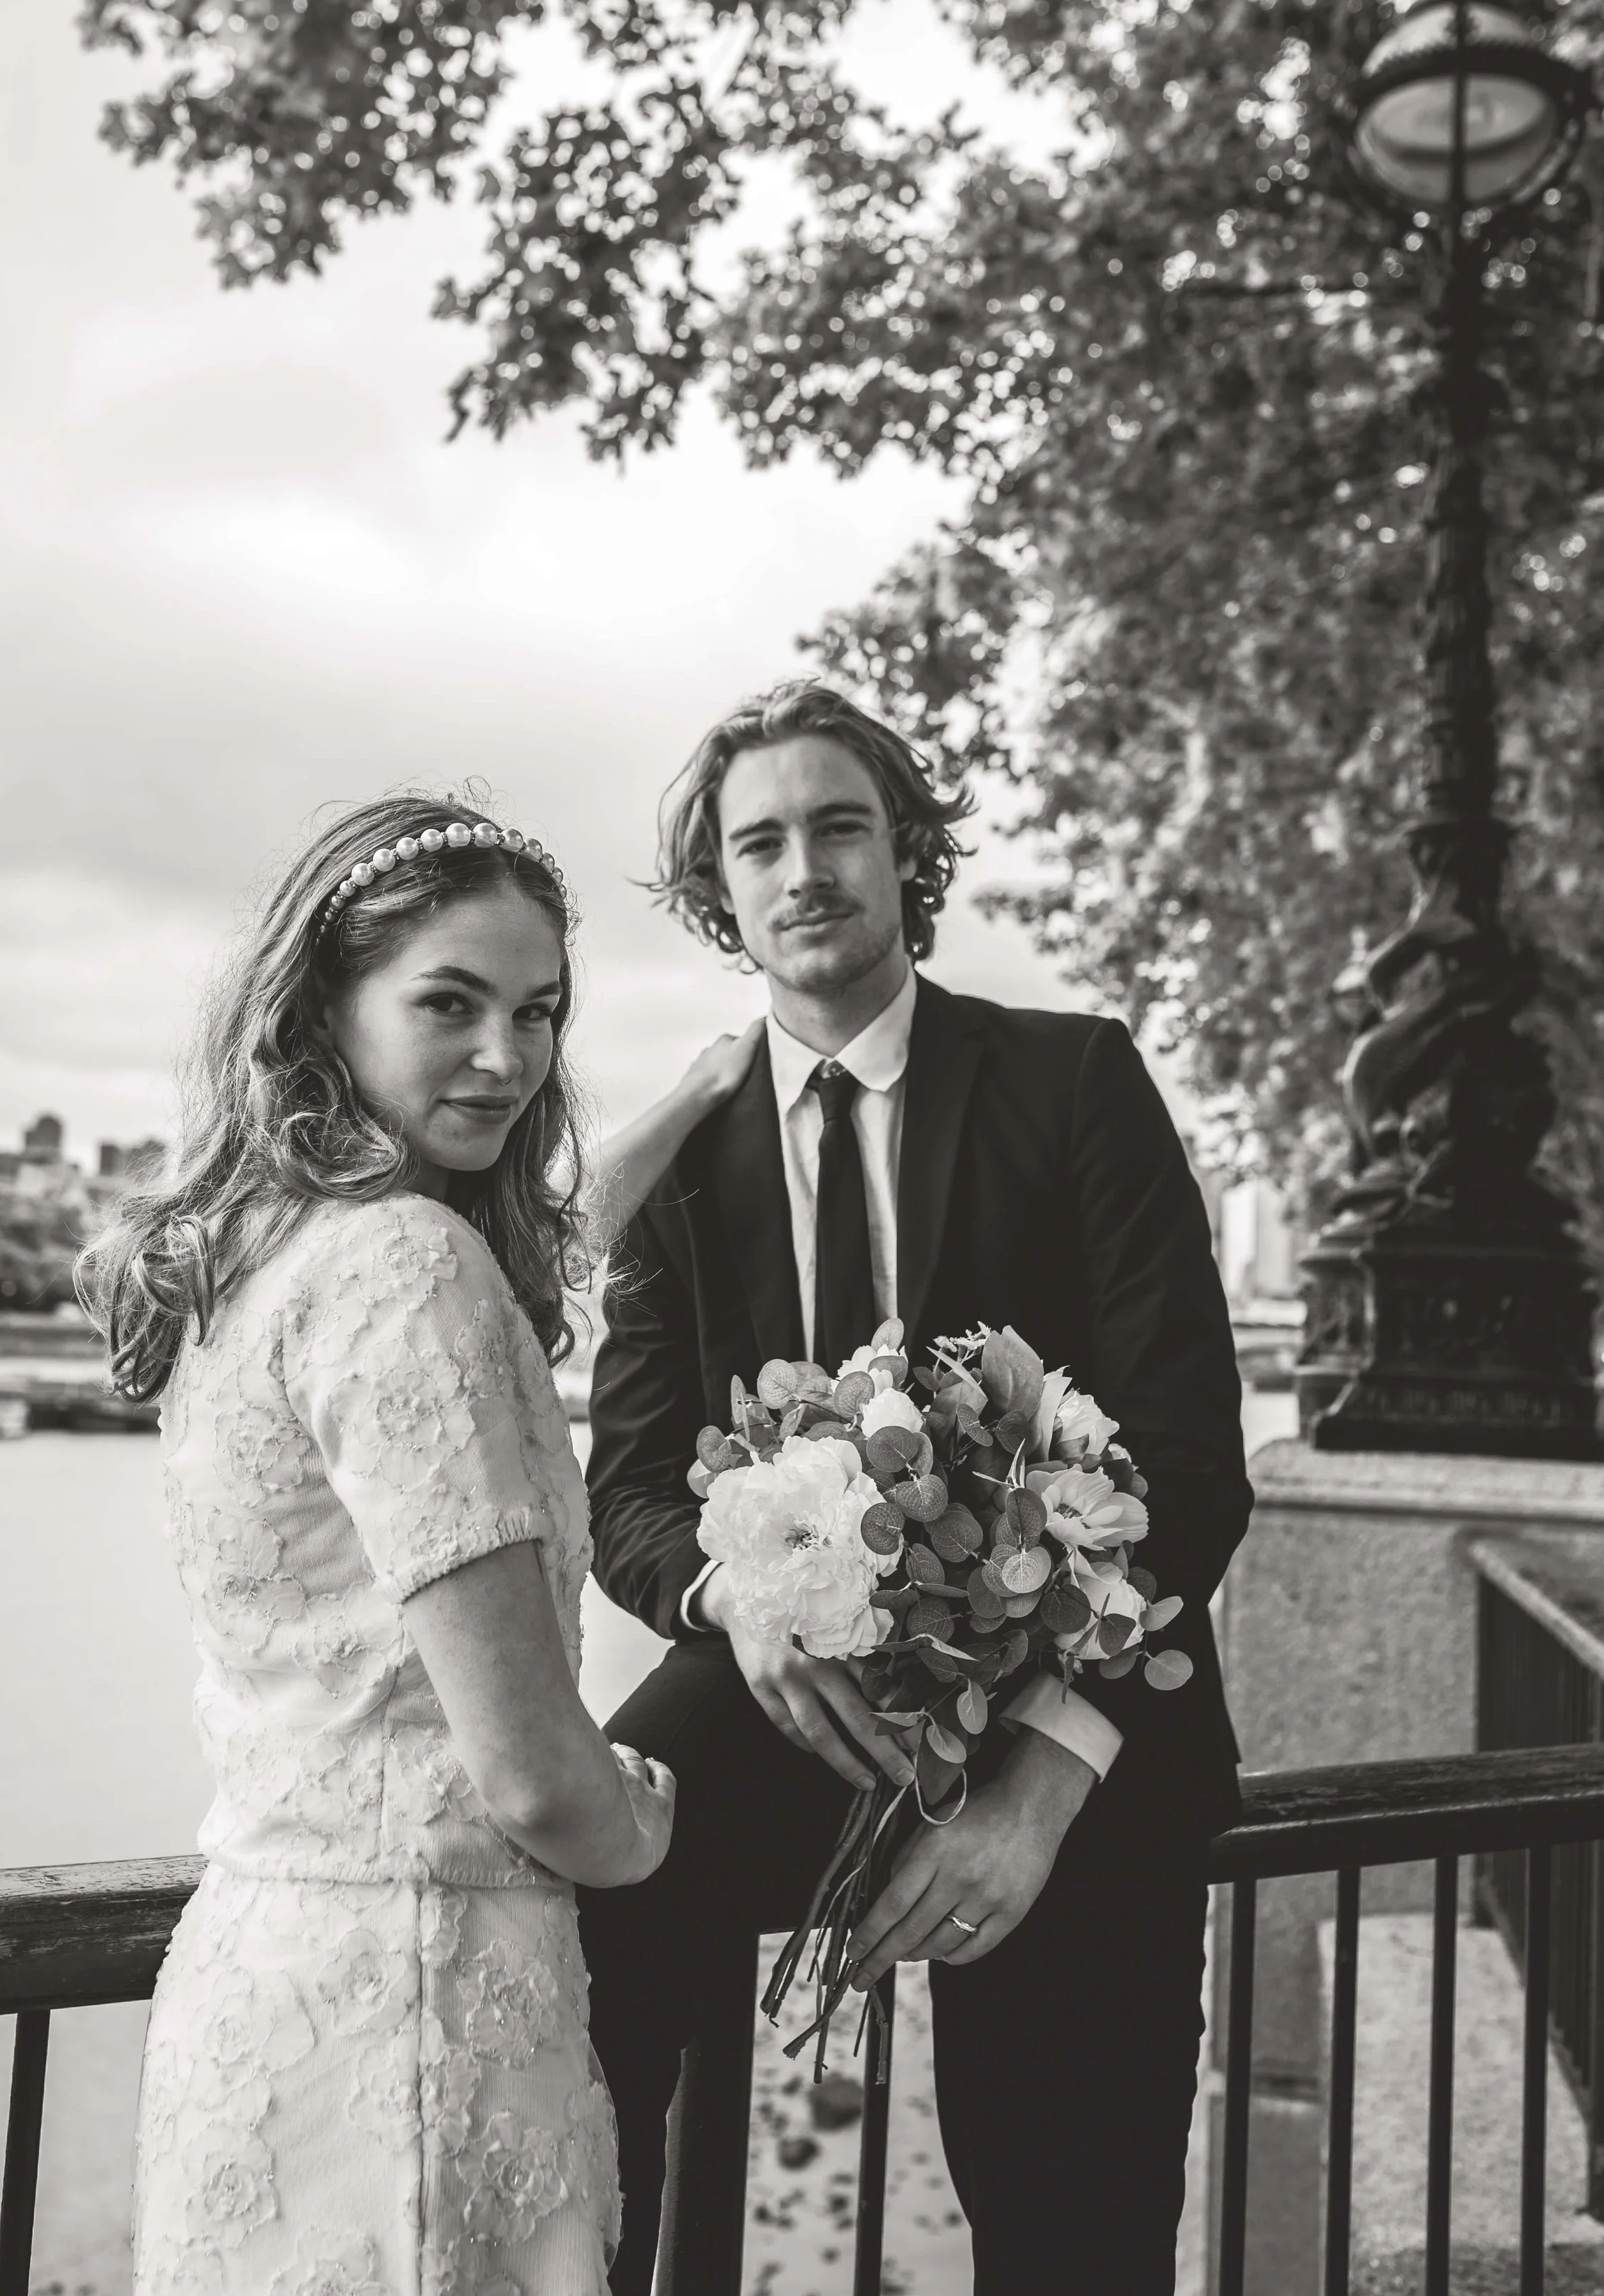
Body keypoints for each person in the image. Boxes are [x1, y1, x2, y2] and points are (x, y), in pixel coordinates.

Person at [579, 682, 1255, 2295]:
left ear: (903, 854)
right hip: (784, 1702)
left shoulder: (1076, 1080)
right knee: (577, 1914)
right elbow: (625, 1490)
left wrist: (1043, 1771)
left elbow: (1188, 1454)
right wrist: (735, 1595)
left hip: (1068, 1708)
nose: (800, 866)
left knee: (1070, 2226)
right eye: (759, 843)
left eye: (835, 826)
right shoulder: (676, 1153)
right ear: (720, 894)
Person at [80, 793, 741, 2296]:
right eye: (449, 1002)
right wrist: (639, 1822)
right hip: (423, 2000)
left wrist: (703, 1091)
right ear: (324, 1005)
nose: (506, 1056)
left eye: (540, 1012)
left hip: (259, 1978)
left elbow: (553, 1244)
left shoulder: (253, 1257)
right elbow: (527, 1768)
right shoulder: (402, 1265)